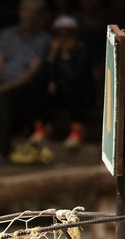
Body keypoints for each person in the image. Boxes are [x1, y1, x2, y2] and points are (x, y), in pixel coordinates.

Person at [0, 0, 51, 162]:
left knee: (4, 100)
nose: (29, 15)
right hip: (0, 85)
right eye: (26, 10)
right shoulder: (6, 34)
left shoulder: (43, 39)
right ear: (19, 13)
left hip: (26, 88)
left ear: (41, 16)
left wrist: (2, 88)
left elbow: (31, 72)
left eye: (34, 12)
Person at [43, 14, 94, 148]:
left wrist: (66, 56)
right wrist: (53, 56)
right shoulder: (52, 51)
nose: (63, 38)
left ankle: (77, 131)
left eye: (68, 34)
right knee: (40, 86)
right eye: (59, 34)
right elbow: (45, 76)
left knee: (71, 87)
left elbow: (74, 77)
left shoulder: (82, 51)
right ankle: (42, 128)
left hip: (81, 95)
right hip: (58, 94)